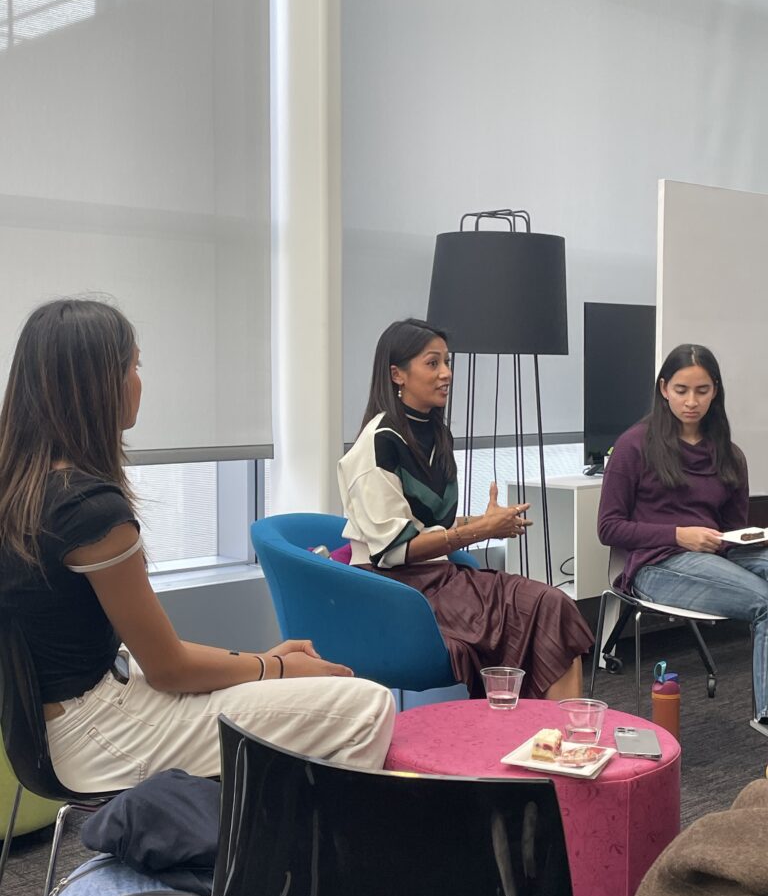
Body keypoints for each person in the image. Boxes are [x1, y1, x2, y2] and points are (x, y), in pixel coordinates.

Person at [0, 299, 395, 792]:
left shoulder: (24, 490)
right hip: (101, 733)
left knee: (292, 690)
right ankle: (302, 861)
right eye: (134, 366)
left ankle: (267, 846)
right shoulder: (91, 511)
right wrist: (273, 667)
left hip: (59, 728)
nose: (139, 381)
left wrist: (262, 665)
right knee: (366, 703)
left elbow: (157, 658)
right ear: (99, 383)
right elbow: (167, 669)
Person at [337, 317, 593, 701]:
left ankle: (557, 742)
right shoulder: (377, 444)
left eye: (447, 362)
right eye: (432, 363)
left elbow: (425, 525)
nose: (447, 374)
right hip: (396, 590)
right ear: (397, 374)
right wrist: (479, 531)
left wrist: (480, 522)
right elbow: (394, 550)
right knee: (542, 607)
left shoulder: (436, 433)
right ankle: (552, 739)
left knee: (553, 606)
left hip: (439, 578)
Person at [598, 342, 768, 728]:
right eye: (681, 390)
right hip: (656, 565)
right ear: (663, 389)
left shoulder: (728, 454)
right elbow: (608, 528)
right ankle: (766, 715)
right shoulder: (633, 446)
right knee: (764, 602)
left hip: (714, 556)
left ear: (715, 392)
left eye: (702, 391)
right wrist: (679, 535)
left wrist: (747, 539)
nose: (691, 401)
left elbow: (731, 529)